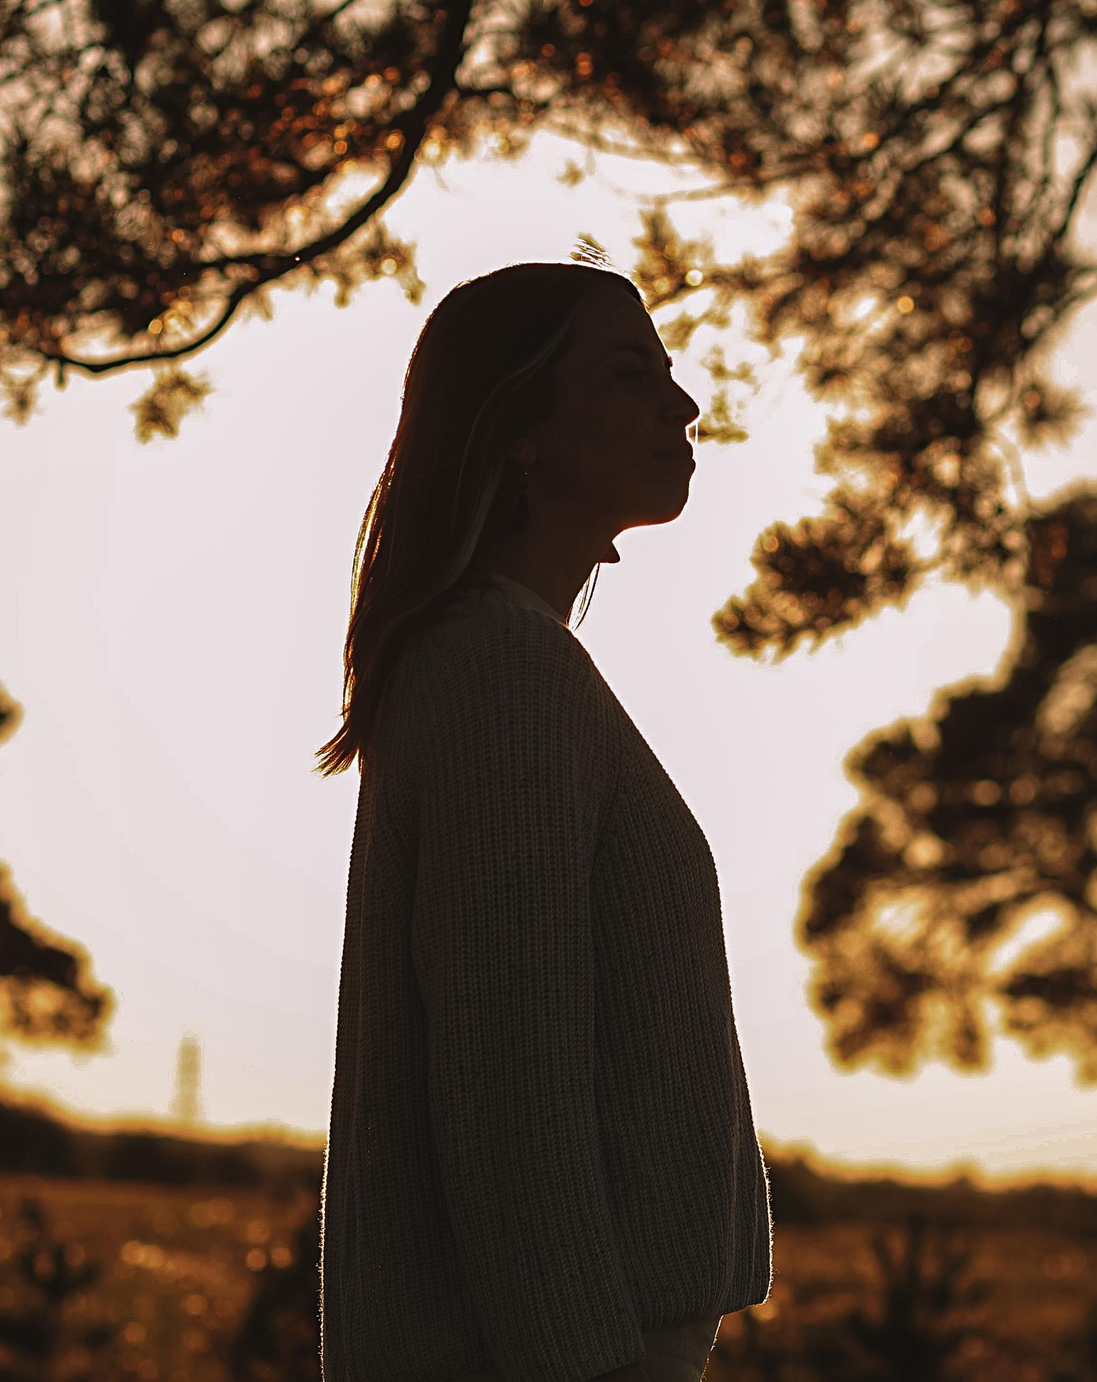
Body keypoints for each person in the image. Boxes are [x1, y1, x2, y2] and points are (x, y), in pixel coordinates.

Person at [316, 262, 771, 1382]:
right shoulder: (498, 671)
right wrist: (584, 1365)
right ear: (516, 426)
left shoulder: (511, 663)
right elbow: (507, 1079)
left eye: (669, 370)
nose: (682, 403)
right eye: (630, 373)